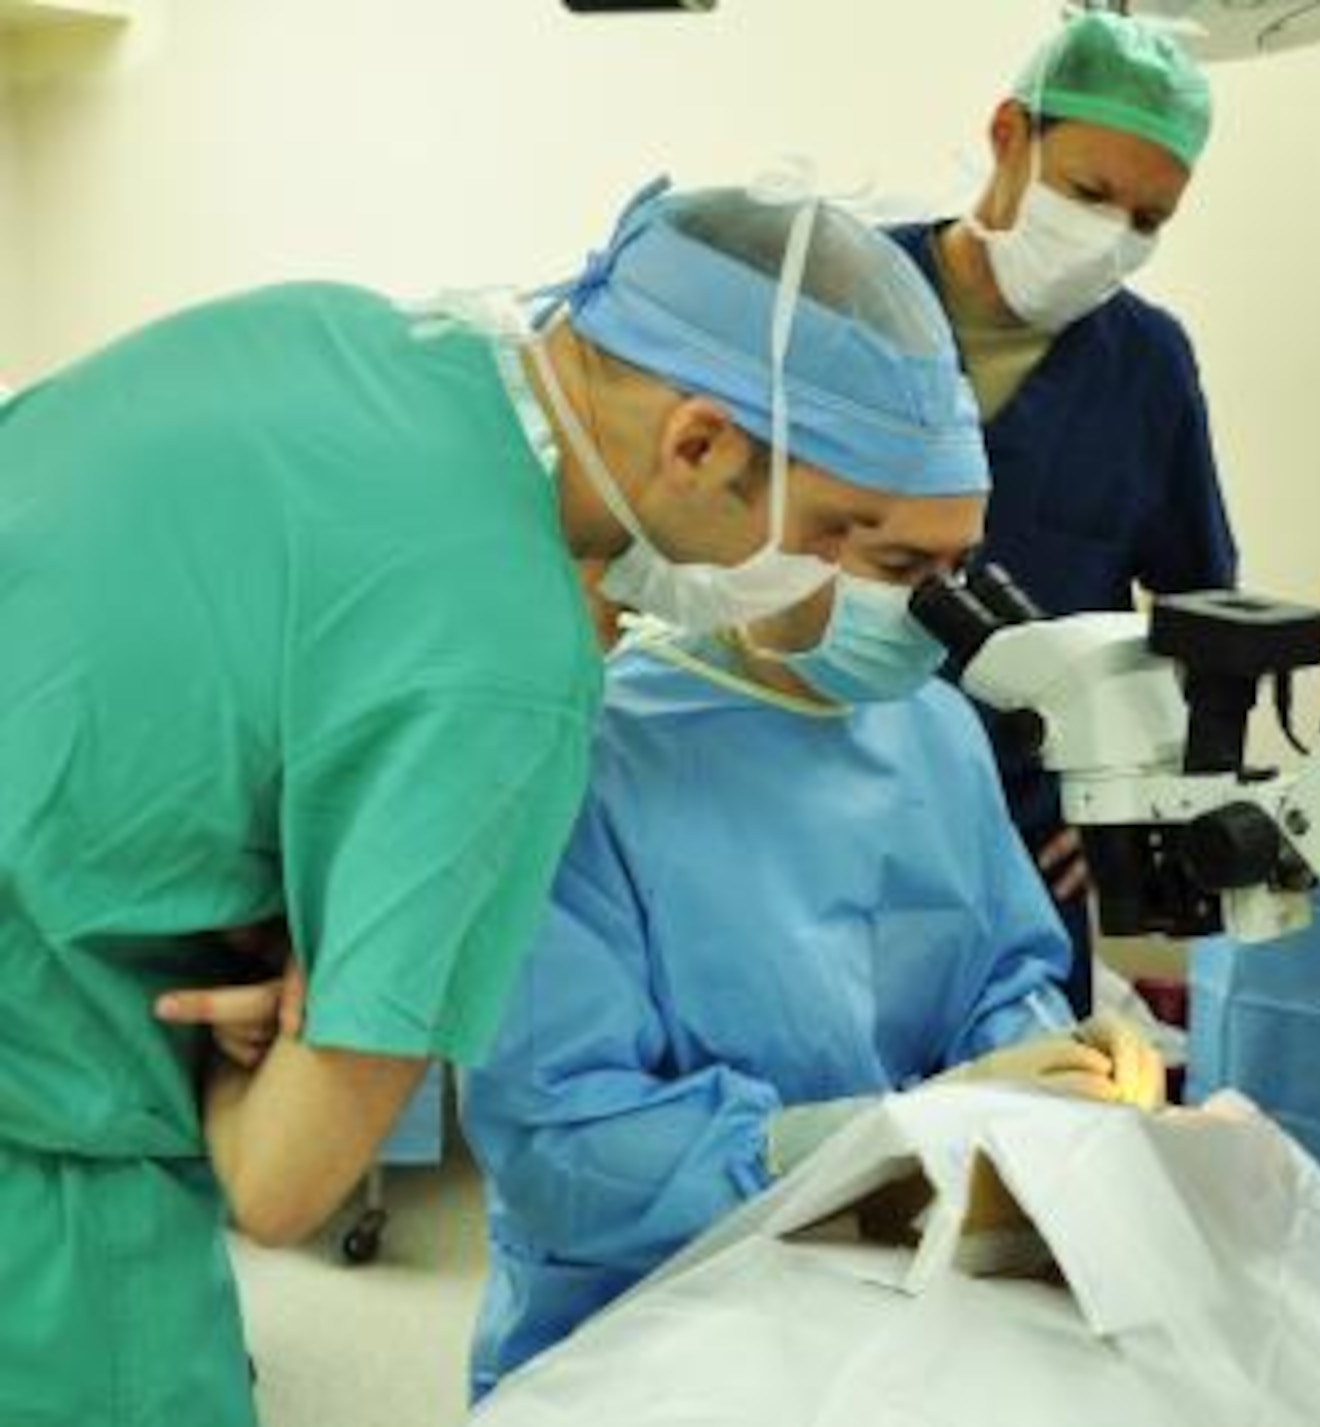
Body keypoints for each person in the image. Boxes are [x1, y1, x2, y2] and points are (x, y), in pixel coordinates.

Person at [0, 180, 996, 1427]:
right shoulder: (509, 672)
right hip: (42, 1181)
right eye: (859, 542)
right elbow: (282, 1183)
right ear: (697, 443)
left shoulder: (329, 330)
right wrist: (321, 981)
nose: (860, 592)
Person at [458, 554, 1166, 1399]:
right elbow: (562, 1147)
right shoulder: (591, 748)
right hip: (645, 1330)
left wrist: (1053, 1064)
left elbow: (998, 978)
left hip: (903, 1299)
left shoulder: (936, 723)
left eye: (956, 563)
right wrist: (890, 1142)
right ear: (768, 530)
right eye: (899, 561)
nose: (928, 601)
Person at [887, 11, 1238, 1012]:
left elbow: (1198, 612)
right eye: (1086, 193)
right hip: (818, 799)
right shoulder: (848, 296)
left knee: (1033, 1113)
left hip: (1027, 829)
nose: (1107, 237)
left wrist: (1131, 803)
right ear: (1007, 135)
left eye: (1145, 220)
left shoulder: (1146, 366)